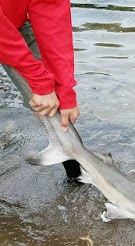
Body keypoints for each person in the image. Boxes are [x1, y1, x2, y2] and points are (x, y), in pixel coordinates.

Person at [0, 0, 81, 179]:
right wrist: (40, 82)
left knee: (56, 107)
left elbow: (52, 17)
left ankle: (77, 181)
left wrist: (65, 90)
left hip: (13, 23)